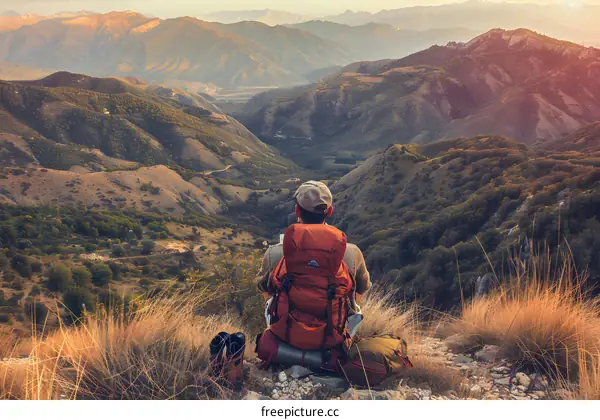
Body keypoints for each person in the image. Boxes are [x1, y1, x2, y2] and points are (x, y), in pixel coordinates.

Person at [255, 180, 371, 305]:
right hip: (336, 322)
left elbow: (264, 288)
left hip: (287, 323)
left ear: (297, 211)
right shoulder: (352, 253)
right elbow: (362, 288)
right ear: (330, 211)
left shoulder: (274, 253)